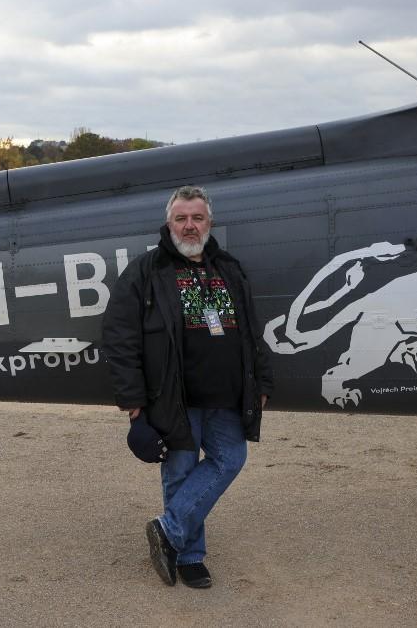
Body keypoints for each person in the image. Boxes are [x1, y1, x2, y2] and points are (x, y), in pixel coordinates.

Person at [102, 185, 272, 589]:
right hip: (173, 397)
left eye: (197, 218)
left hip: (227, 398)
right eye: (182, 218)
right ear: (169, 223)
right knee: (178, 473)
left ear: (209, 223)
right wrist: (133, 405)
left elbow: (251, 331)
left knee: (230, 459)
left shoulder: (229, 269)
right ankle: (191, 556)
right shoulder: (146, 271)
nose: (190, 226)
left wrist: (262, 381)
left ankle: (168, 530)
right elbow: (119, 339)